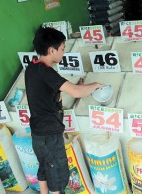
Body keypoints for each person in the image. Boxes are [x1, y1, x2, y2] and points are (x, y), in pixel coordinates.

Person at [25, 26, 102, 194]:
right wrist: (95, 85)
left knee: (45, 167)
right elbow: (75, 91)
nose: (63, 53)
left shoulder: (32, 68)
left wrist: (78, 88)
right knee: (57, 175)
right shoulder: (47, 73)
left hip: (37, 131)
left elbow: (50, 91)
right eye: (62, 49)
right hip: (50, 134)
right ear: (52, 50)